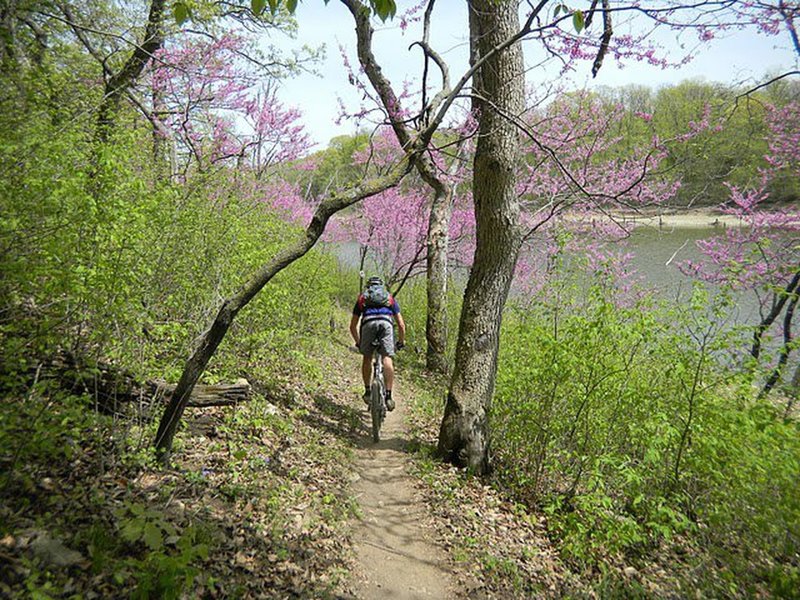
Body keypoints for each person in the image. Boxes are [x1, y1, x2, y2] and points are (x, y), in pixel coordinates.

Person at [350, 277, 406, 411]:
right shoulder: (389, 298)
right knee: (387, 358)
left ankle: (368, 391)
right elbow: (401, 325)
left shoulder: (362, 298)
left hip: (368, 324)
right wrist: (401, 342)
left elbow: (352, 326)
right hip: (386, 324)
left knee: (367, 357)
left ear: (368, 287)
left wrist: (359, 343)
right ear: (382, 286)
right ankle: (388, 396)